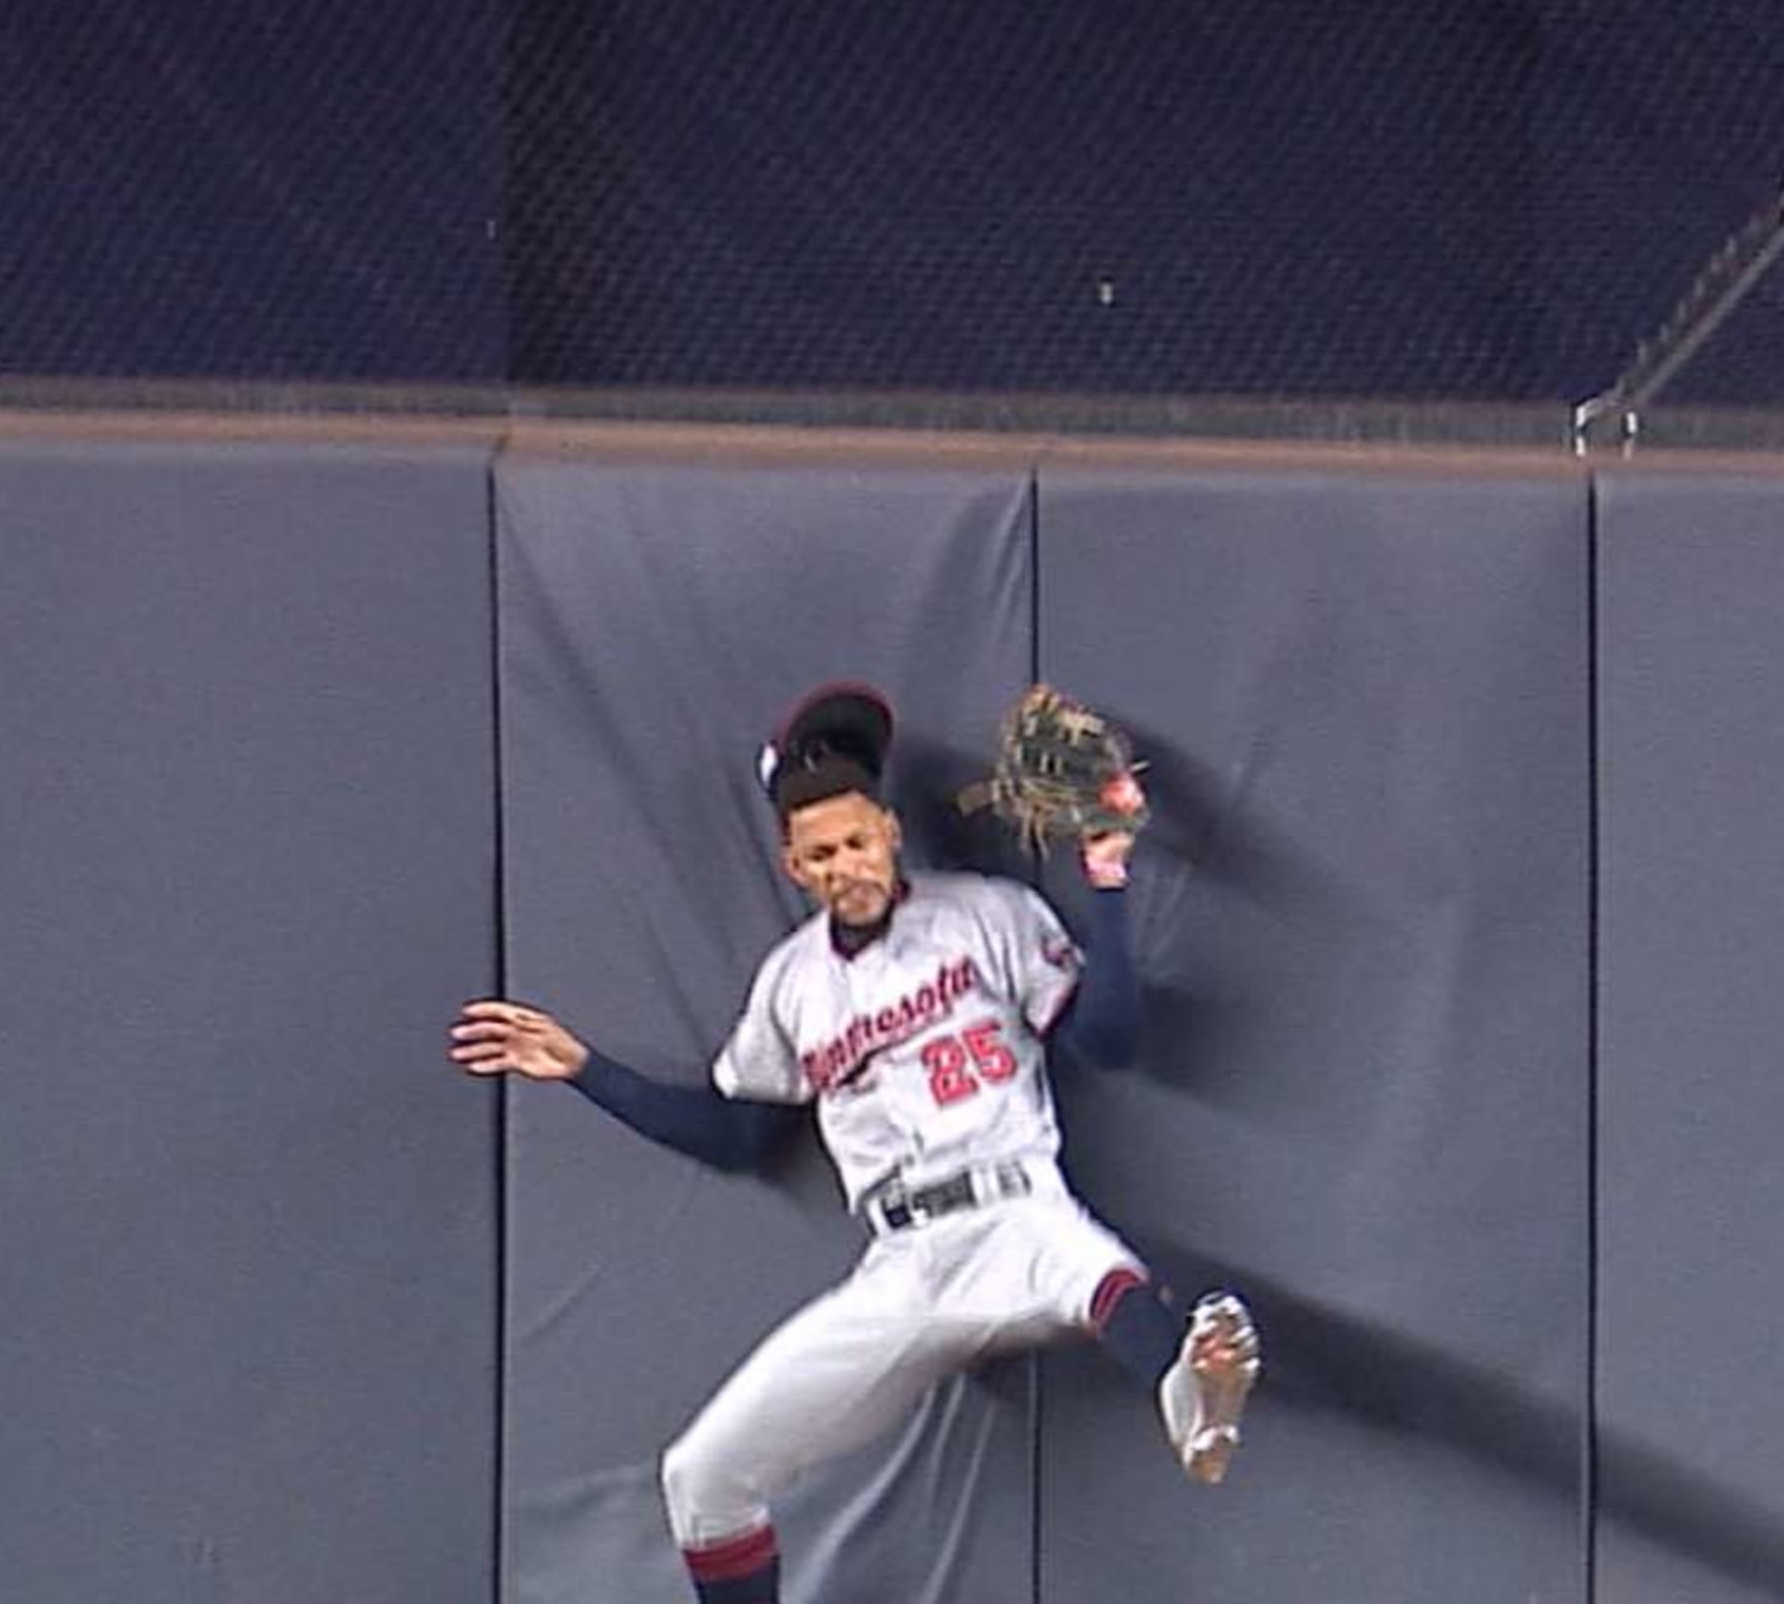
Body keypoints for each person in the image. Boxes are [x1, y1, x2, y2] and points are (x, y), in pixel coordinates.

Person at [452, 683, 1261, 1604]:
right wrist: (585, 1069)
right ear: (794, 866)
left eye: (857, 840)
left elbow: (1110, 1043)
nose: (846, 864)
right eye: (821, 853)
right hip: (903, 1263)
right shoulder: (792, 986)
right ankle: (1188, 1377)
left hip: (1017, 1208)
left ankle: (1194, 1394)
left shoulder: (986, 914)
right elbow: (737, 1139)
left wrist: (1108, 881)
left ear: (890, 829)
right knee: (703, 1478)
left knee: (1104, 1279)